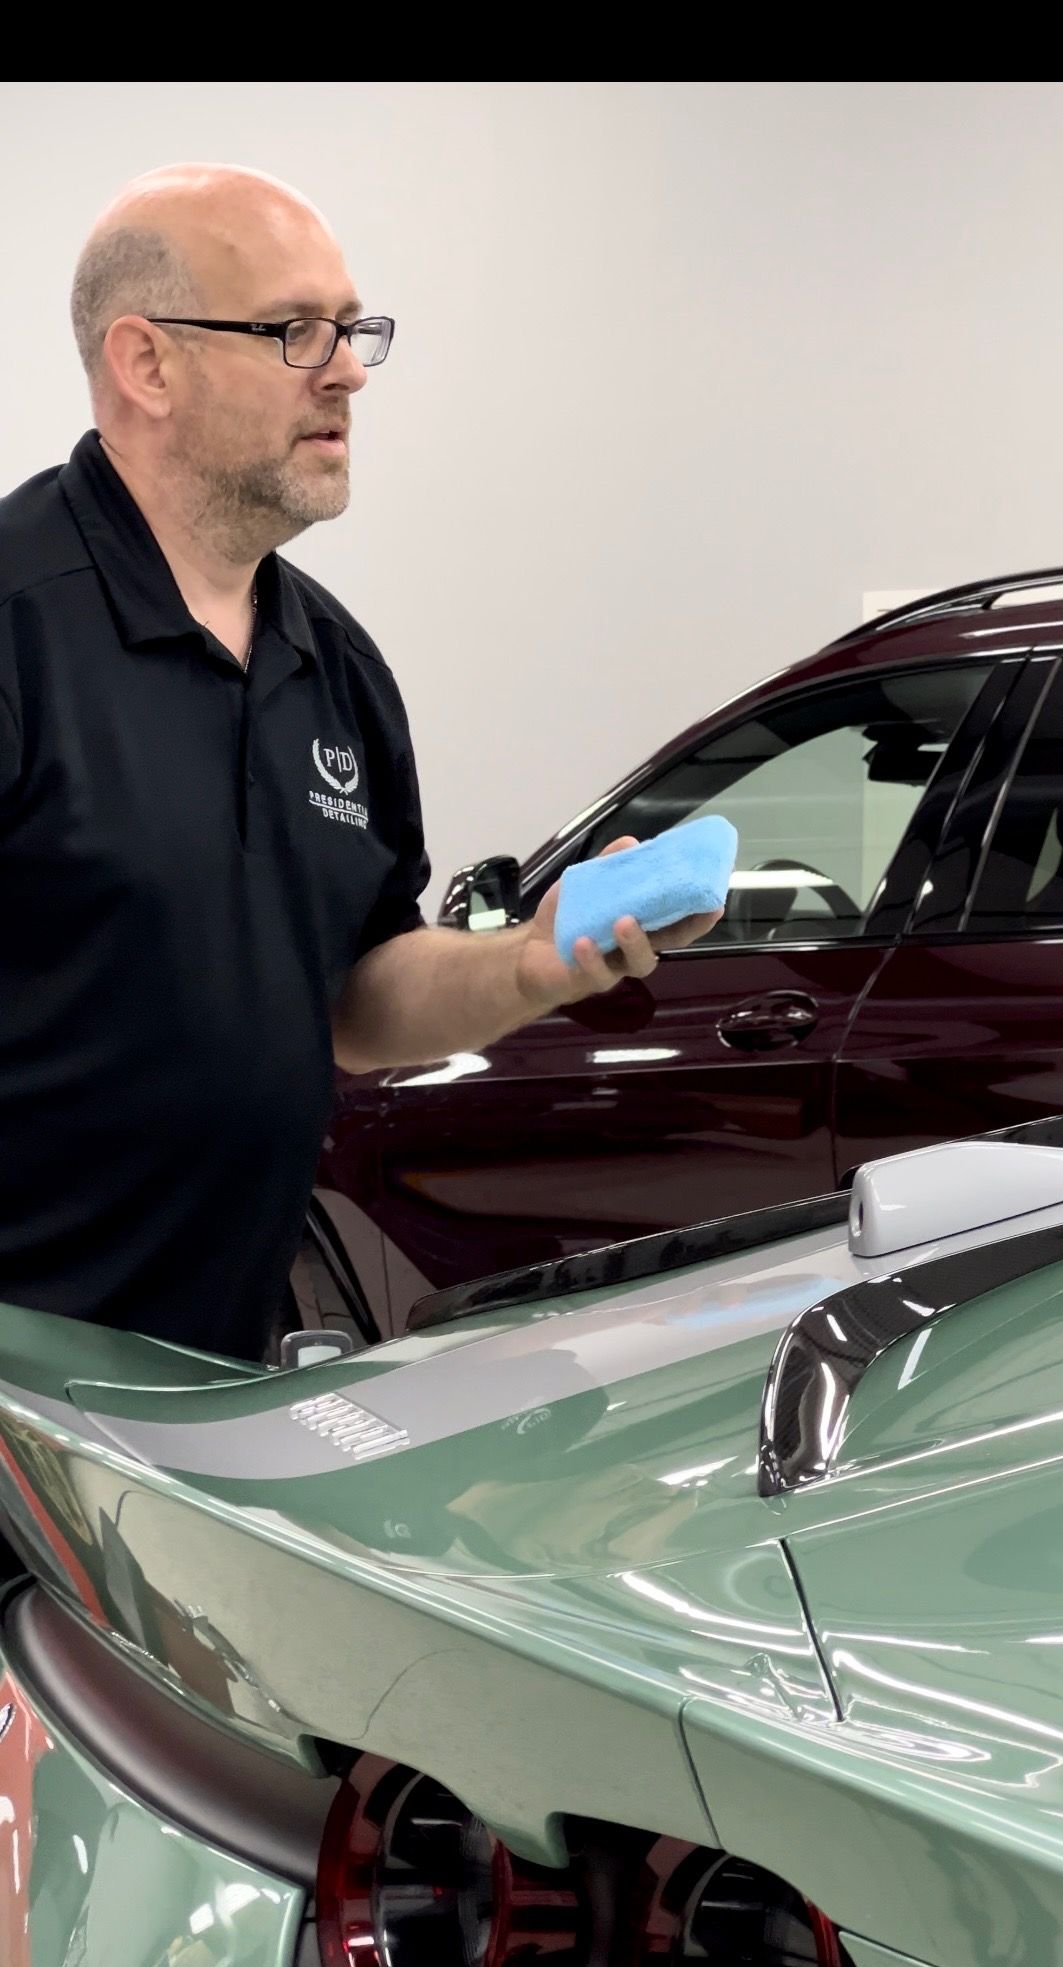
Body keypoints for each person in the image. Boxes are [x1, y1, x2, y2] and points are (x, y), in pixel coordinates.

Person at [0, 163, 720, 1362]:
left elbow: (354, 997)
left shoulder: (334, 665)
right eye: (294, 331)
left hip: (206, 1368)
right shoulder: (18, 626)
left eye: (351, 327)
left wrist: (535, 961)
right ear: (147, 364)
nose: (348, 369)